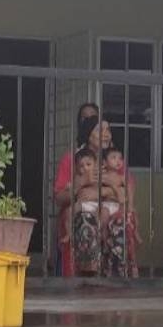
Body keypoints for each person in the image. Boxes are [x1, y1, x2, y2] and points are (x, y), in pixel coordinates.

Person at [53, 114, 129, 276]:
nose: (106, 133)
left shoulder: (114, 159)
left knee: (119, 224)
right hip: (81, 213)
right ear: (88, 134)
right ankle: (88, 275)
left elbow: (126, 191)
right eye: (100, 130)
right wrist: (80, 183)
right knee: (86, 219)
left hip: (110, 212)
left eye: (108, 129)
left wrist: (98, 192)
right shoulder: (72, 159)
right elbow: (59, 198)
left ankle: (115, 277)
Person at [102, 146, 143, 277]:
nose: (118, 161)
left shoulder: (122, 177)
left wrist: (130, 205)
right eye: (113, 158)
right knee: (104, 212)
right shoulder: (103, 175)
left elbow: (129, 191)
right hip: (106, 205)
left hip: (119, 204)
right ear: (104, 162)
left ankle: (135, 234)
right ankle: (103, 233)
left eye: (120, 158)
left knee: (130, 216)